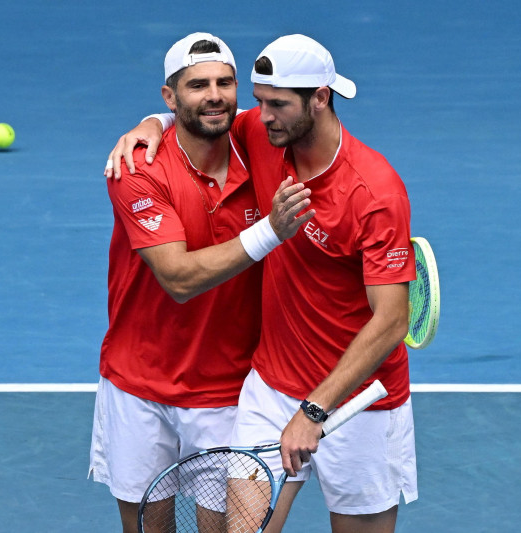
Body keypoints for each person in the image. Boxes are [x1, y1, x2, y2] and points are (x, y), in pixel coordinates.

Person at [107, 34, 417, 533]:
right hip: (271, 390)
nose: (260, 114)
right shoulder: (264, 137)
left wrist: (315, 409)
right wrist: (153, 123)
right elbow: (199, 117)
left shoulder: (374, 191)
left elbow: (393, 319)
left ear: (319, 97)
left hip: (361, 400)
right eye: (258, 100)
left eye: (276, 104)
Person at [90, 32, 314, 533]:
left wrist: (158, 120)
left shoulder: (257, 139)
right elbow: (178, 278)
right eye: (197, 86)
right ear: (170, 96)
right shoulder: (137, 167)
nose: (214, 95)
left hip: (229, 392)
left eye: (225, 83)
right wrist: (271, 231)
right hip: (138, 384)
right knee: (149, 528)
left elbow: (308, 113)